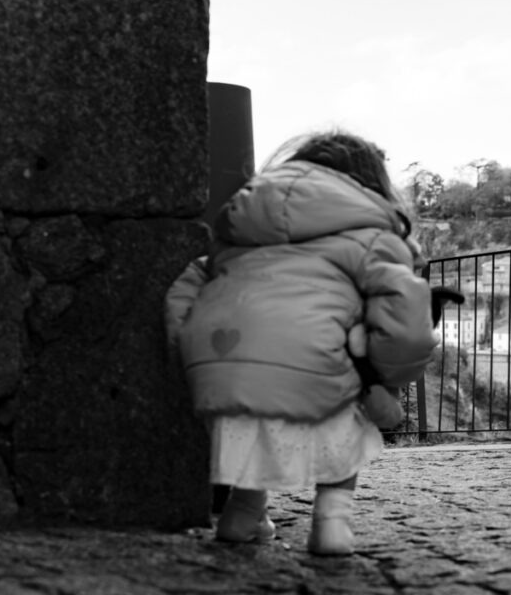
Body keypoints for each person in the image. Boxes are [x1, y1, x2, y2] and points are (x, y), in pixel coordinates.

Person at [165, 130, 439, 555]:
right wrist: (388, 376)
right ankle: (331, 522)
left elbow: (188, 286)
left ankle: (242, 517)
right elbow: (404, 310)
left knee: (254, 427)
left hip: (221, 360)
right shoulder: (373, 233)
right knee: (346, 424)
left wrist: (186, 351)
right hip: (314, 356)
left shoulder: (243, 226)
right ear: (372, 184)